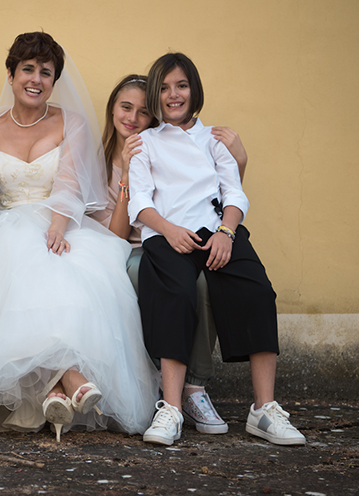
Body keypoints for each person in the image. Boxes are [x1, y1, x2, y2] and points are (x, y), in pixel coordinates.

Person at [0, 32, 160, 441]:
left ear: (54, 80)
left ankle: (56, 387)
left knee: (65, 273)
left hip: (62, 224)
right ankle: (70, 380)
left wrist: (55, 227)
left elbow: (70, 184)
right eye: (28, 70)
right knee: (14, 269)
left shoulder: (70, 122)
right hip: (4, 227)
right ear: (11, 74)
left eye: (46, 72)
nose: (36, 79)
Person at [128, 53, 305, 446]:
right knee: (174, 294)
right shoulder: (145, 144)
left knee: (258, 291)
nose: (174, 95)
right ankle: (172, 409)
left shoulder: (216, 139)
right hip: (168, 233)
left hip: (216, 230)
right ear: (155, 95)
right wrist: (168, 230)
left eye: (182, 85)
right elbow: (138, 202)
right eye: (165, 88)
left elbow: (234, 191)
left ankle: (263, 409)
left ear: (194, 89)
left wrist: (227, 231)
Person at [91, 75, 248, 435]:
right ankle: (164, 380)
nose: (132, 118)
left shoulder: (164, 147)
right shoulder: (98, 159)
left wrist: (240, 158)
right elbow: (117, 236)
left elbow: (219, 192)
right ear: (112, 109)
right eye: (125, 108)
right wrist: (128, 175)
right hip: (128, 247)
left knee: (206, 279)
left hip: (176, 240)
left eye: (143, 112)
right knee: (146, 275)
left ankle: (194, 386)